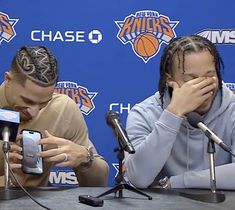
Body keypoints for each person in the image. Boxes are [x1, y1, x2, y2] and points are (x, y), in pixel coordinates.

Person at [124, 35, 235, 189]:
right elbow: (138, 178)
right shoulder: (144, 113)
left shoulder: (232, 109)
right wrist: (173, 114)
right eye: (191, 79)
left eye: (210, 76)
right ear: (170, 80)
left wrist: (180, 182)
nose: (204, 85)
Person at [0, 46, 109, 187]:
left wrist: (85, 159)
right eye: (28, 101)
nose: (34, 112)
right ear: (8, 80)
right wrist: (5, 182)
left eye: (43, 103)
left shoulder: (63, 110)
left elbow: (98, 186)